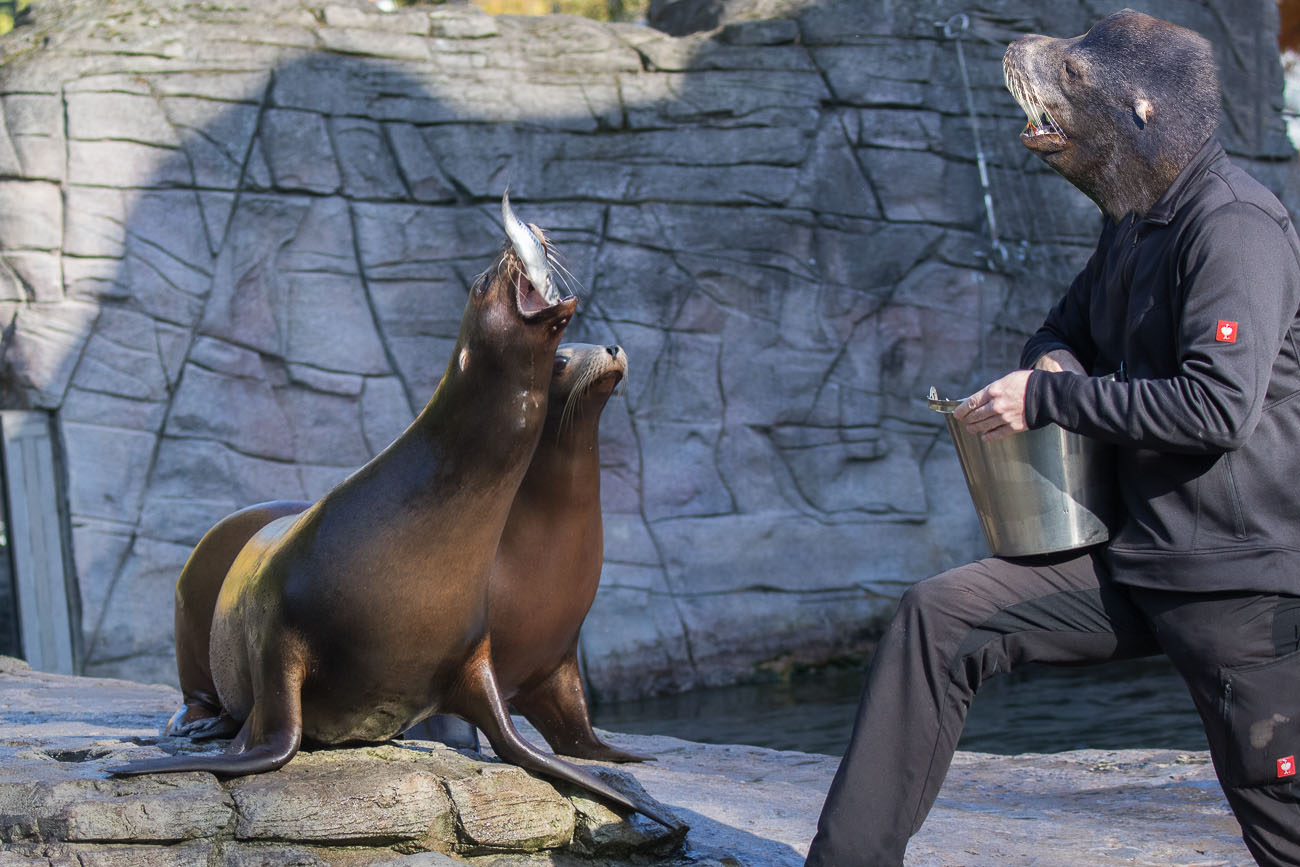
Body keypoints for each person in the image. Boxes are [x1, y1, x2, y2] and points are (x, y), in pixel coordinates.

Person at [805, 10, 1300, 866]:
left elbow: (1217, 410)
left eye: (1073, 87)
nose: (1046, 106)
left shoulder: (1234, 228)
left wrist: (1051, 400)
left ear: (1141, 111)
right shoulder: (1132, 224)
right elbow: (1055, 335)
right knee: (940, 617)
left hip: (1240, 590)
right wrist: (1056, 369)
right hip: (1136, 561)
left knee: (1281, 816)